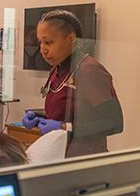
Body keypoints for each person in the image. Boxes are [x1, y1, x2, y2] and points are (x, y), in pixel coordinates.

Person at [21, 9, 123, 157]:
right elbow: (69, 111)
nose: (42, 49)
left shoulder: (89, 70)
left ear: (71, 39)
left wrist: (64, 127)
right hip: (58, 155)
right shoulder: (57, 69)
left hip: (83, 160)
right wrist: (39, 119)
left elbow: (114, 123)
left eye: (48, 42)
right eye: (40, 42)